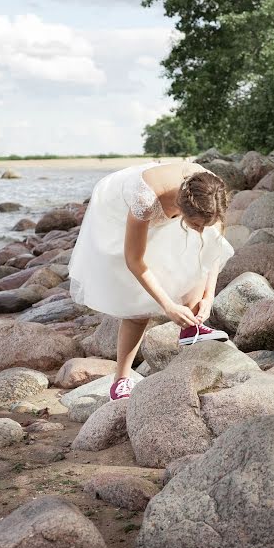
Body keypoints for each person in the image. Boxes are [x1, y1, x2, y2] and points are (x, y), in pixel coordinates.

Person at [68, 160, 235, 401]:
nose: (200, 230)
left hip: (174, 205)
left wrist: (209, 297)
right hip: (117, 212)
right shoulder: (144, 199)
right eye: (196, 225)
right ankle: (121, 381)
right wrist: (168, 305)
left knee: (194, 256)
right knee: (138, 304)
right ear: (181, 207)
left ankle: (191, 327)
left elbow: (213, 246)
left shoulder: (212, 193)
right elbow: (134, 260)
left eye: (203, 224)